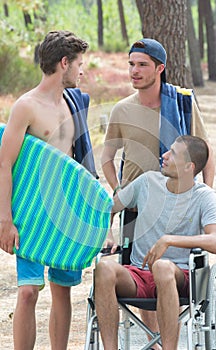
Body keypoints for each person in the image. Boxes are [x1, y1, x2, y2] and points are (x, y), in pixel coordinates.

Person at [101, 38, 215, 344]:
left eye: (142, 65)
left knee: (163, 269)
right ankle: (151, 339)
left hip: (180, 199)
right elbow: (107, 159)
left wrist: (203, 195)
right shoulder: (121, 109)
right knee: (140, 271)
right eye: (131, 65)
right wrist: (120, 190)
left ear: (159, 68)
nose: (134, 71)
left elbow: (206, 152)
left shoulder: (182, 102)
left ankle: (162, 340)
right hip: (136, 206)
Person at [0, 30, 97, 350]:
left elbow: (79, 162)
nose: (82, 71)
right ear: (64, 63)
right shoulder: (26, 106)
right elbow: (4, 164)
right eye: (79, 64)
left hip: (65, 212)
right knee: (28, 291)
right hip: (30, 212)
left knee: (62, 288)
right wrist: (5, 219)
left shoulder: (76, 102)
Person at [95, 135, 216, 350]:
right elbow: (108, 207)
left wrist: (169, 240)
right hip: (138, 273)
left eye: (173, 153)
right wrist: (108, 234)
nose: (164, 156)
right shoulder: (147, 182)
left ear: (188, 167)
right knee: (104, 268)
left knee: (162, 266)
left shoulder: (204, 197)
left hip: (180, 276)